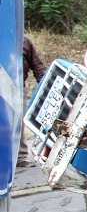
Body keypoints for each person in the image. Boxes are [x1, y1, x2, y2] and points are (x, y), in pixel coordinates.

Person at [19, 36, 46, 167]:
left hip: (16, 87)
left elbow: (36, 65)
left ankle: (20, 156)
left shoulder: (24, 41)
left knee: (17, 122)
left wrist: (44, 86)